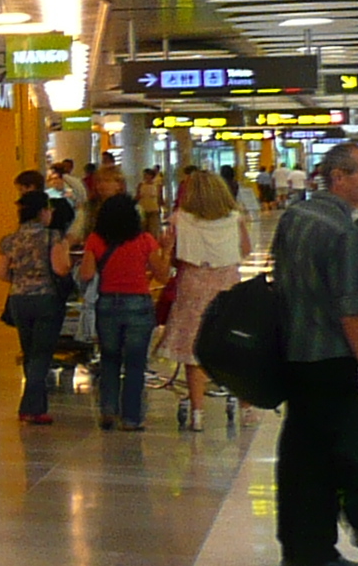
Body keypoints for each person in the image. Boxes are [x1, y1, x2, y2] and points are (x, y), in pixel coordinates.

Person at [269, 142, 358, 566]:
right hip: (328, 356)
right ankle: (317, 550)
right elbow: (350, 309)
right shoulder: (344, 233)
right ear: (339, 177)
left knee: (298, 448)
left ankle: (294, 543)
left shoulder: (295, 217)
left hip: (292, 352)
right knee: (324, 456)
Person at [165, 167, 248, 431]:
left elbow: (172, 256)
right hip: (227, 286)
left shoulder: (179, 219)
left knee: (193, 349)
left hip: (192, 285)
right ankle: (239, 402)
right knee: (227, 345)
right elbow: (245, 251)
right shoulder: (235, 218)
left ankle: (197, 413)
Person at [77, 192, 167, 432]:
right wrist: (166, 249)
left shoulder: (95, 240)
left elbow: (86, 275)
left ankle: (108, 410)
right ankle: (131, 418)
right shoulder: (145, 240)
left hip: (107, 305)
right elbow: (163, 275)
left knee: (109, 360)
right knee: (136, 364)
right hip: (138, 304)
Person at [0, 189, 66, 424]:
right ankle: (29, 407)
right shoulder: (52, 237)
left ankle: (37, 408)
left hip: (18, 300)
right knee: (41, 355)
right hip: (46, 299)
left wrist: (21, 280)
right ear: (42, 212)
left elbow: (1, 272)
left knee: (29, 352)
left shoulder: (10, 240)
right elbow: (59, 268)